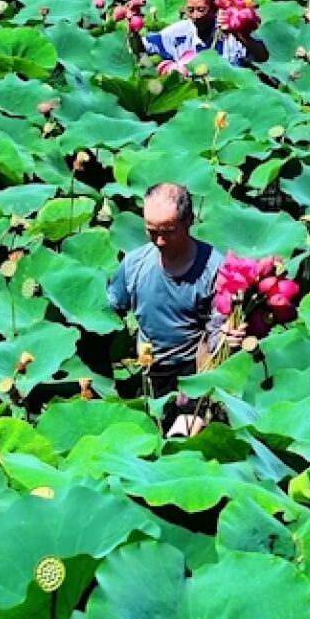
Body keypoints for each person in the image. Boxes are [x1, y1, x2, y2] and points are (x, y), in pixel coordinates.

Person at [107, 183, 245, 436]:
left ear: (189, 221)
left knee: (181, 438)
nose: (159, 241)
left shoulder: (216, 269)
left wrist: (230, 335)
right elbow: (107, 312)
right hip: (150, 370)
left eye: (169, 232)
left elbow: (218, 332)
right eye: (151, 232)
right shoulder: (134, 265)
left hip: (196, 374)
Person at [132, 0, 269, 67]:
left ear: (215, 9)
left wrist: (239, 35)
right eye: (190, 10)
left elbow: (262, 57)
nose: (195, 16)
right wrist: (132, 27)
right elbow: (141, 48)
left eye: (201, 10)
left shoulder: (231, 32)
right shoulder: (177, 32)